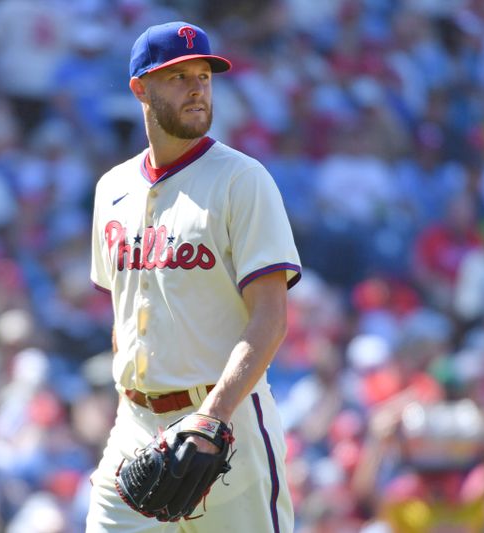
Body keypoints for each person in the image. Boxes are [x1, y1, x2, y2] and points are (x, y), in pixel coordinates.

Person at [85, 21, 301, 532]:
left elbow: (270, 317)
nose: (197, 88)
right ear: (140, 88)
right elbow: (124, 316)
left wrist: (213, 417)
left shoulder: (242, 179)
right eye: (178, 76)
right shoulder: (112, 188)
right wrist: (129, 408)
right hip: (135, 428)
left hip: (227, 424)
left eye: (203, 75)